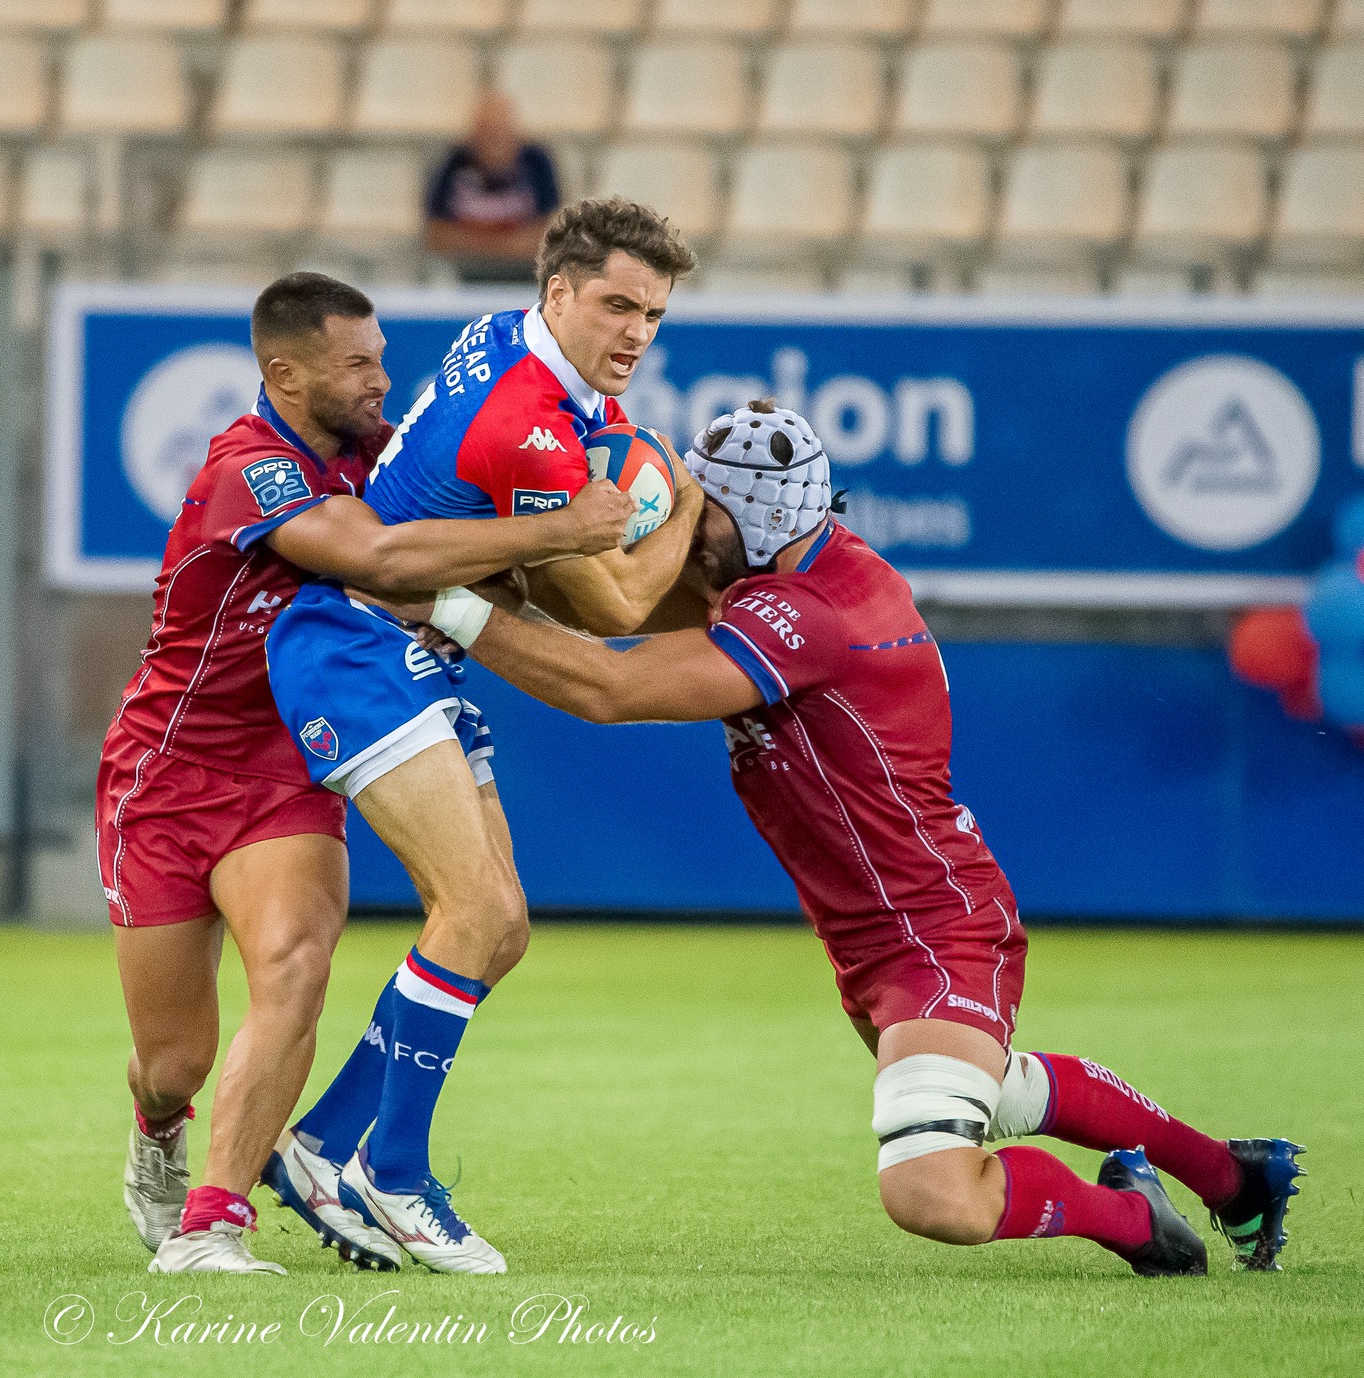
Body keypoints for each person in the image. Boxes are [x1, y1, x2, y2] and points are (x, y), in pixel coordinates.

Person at [373, 398, 1305, 1278]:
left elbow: (608, 689)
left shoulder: (807, 615)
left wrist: (455, 604)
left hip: (931, 927)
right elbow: (612, 610)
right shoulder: (794, 565)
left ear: (755, 520)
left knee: (931, 1189)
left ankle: (1136, 1219)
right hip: (880, 927)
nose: (685, 531)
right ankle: (1235, 1177)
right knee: (998, 1090)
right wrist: (505, 565)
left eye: (702, 515)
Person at [103, 271, 636, 1274]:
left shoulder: (378, 458)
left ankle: (215, 1218)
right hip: (166, 777)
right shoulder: (247, 470)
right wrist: (558, 527)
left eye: (382, 358)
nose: (380, 379)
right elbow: (383, 557)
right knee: (174, 1058)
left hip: (286, 765)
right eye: (356, 364)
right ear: (284, 373)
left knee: (297, 967)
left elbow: (461, 550)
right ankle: (157, 1125)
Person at [260, 199, 701, 1274]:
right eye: (615, 303)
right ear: (558, 291)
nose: (635, 331)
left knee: (498, 929)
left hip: (408, 644)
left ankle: (321, 1144)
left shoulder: (517, 347)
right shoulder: (528, 419)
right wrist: (680, 496)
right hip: (356, 643)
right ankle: (392, 1173)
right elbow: (608, 610)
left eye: (651, 312)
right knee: (479, 909)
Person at [425, 92, 563, 284]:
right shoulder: (452, 164)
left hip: (526, 278)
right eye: (486, 132)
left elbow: (548, 236)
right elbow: (437, 237)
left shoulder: (537, 163)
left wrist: (473, 242)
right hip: (463, 277)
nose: (493, 140)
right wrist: (507, 245)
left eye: (499, 131)